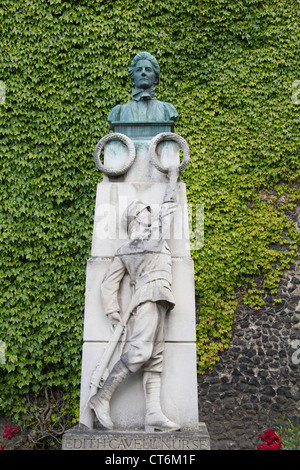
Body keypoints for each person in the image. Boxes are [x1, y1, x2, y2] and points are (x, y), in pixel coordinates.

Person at [89, 166, 181, 432]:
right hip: (150, 297)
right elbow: (169, 204)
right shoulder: (151, 238)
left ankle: (153, 413)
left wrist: (112, 311)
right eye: (147, 216)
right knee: (141, 351)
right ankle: (102, 397)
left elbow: (109, 284)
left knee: (156, 357)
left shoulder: (127, 248)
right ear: (138, 220)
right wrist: (172, 177)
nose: (152, 219)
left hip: (159, 298)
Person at [108, 51, 178, 125]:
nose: (143, 73)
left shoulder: (167, 110)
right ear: (132, 80)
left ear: (156, 79)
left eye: (148, 69)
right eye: (139, 70)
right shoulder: (119, 112)